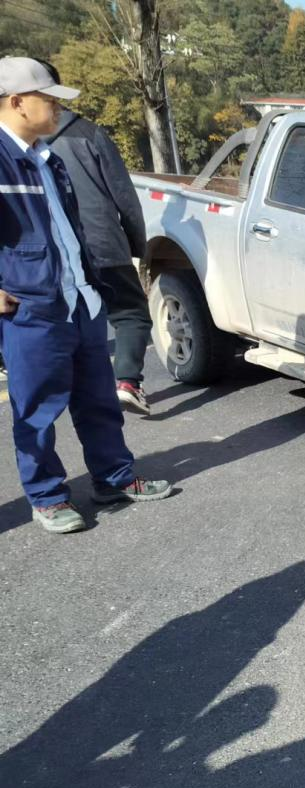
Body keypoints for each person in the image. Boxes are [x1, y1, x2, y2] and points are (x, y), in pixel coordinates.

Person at [0, 57, 171, 534]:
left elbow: (68, 230)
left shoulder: (47, 158)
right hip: (32, 308)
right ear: (16, 102)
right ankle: (48, 496)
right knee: (36, 410)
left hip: (80, 299)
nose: (57, 108)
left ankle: (114, 478)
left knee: (98, 398)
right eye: (48, 99)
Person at [38, 60, 153, 414]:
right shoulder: (89, 134)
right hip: (103, 244)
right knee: (131, 312)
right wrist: (138, 245)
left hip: (49, 256)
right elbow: (123, 195)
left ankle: (78, 392)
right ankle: (127, 383)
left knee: (76, 324)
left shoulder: (14, 146)